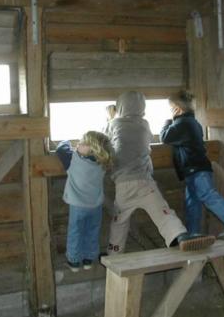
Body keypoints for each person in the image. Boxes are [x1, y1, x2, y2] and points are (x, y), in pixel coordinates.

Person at [105, 91, 215, 254]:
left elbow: (107, 140)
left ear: (120, 106)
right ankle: (181, 237)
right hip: (145, 182)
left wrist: (110, 117)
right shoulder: (144, 124)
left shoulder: (114, 124)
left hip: (124, 184)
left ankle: (113, 252)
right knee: (164, 213)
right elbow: (147, 139)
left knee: (119, 221)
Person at [160, 90, 224, 239]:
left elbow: (165, 137)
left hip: (196, 168)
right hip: (194, 169)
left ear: (177, 108)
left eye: (171, 108)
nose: (170, 111)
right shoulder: (191, 122)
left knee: (206, 194)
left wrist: (168, 121)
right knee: (192, 202)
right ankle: (194, 233)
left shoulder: (183, 123)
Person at [56, 131, 114, 272]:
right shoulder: (102, 164)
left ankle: (74, 261)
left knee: (75, 232)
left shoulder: (73, 160)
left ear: (92, 149)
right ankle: (88, 260)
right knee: (92, 232)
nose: (78, 144)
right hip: (95, 207)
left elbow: (61, 148)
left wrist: (66, 140)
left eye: (82, 143)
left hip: (78, 206)